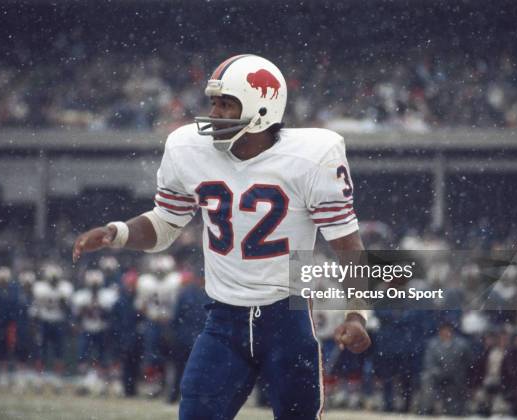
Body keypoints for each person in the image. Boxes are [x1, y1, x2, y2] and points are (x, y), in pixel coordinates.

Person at [73, 54, 371, 419]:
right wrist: (116, 233)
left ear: (263, 109)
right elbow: (166, 223)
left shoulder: (311, 157)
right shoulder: (188, 148)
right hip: (223, 320)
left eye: (227, 104)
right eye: (213, 102)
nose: (214, 113)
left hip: (286, 320)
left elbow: (349, 248)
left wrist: (357, 314)